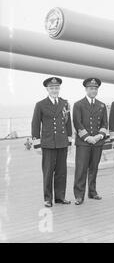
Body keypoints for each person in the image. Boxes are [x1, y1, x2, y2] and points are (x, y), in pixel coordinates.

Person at [31, 77, 72, 207]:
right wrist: (37, 143)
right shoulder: (41, 104)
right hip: (48, 143)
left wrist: (69, 141)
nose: (54, 90)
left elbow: (68, 124)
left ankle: (60, 197)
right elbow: (35, 124)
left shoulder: (65, 103)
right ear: (47, 89)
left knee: (61, 171)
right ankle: (48, 199)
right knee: (48, 171)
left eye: (56, 88)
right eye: (52, 88)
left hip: (62, 142)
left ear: (59, 89)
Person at [73, 78, 108, 205]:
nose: (93, 90)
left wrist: (99, 136)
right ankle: (79, 195)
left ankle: (92, 192)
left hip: (97, 142)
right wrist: (88, 137)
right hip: (84, 142)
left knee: (94, 168)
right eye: (91, 88)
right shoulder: (78, 105)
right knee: (81, 169)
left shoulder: (102, 105)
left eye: (95, 88)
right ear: (86, 89)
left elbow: (105, 124)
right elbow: (77, 123)